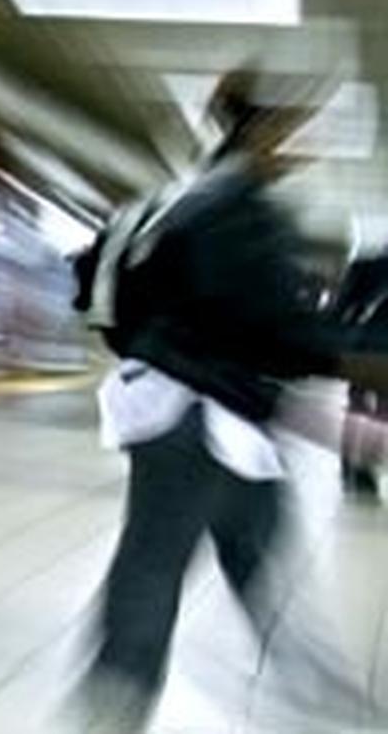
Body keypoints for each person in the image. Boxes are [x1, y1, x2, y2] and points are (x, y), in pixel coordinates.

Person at [70, 69, 387, 731]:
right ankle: (112, 705)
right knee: (155, 564)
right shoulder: (237, 208)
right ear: (261, 131)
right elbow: (278, 330)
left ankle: (320, 696)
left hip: (200, 410)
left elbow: (98, 289)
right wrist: (352, 358)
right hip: (196, 419)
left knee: (251, 550)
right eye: (293, 130)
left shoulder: (185, 198)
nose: (302, 147)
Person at [332, 251, 388, 499]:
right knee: (365, 411)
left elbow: (345, 307)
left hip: (364, 346)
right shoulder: (369, 267)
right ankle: (356, 469)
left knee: (362, 411)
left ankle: (356, 470)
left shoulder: (367, 267)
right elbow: (347, 306)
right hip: (367, 348)